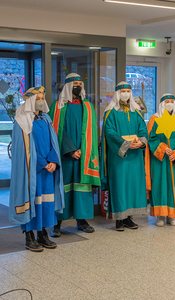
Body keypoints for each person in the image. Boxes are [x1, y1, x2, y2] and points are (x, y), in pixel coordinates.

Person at [9, 86, 64, 252]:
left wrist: (53, 161)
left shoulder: (46, 118)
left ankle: (42, 233)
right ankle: (29, 236)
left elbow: (52, 142)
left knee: (46, 202)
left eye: (42, 98)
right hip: (32, 170)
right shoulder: (22, 120)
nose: (41, 101)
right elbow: (24, 149)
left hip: (47, 169)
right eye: (38, 98)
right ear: (30, 100)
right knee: (31, 200)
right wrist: (42, 162)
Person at [48, 73, 100, 236]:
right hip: (65, 157)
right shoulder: (57, 106)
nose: (79, 86)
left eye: (81, 83)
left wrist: (83, 151)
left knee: (82, 187)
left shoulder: (88, 106)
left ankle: (82, 221)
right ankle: (56, 224)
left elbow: (92, 132)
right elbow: (54, 131)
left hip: (83, 157)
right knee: (62, 188)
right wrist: (70, 150)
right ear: (68, 86)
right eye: (75, 83)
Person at [101, 81, 148, 231]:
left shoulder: (137, 112)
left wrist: (141, 142)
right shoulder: (110, 113)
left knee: (133, 186)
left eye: (128, 91)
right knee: (120, 186)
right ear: (117, 94)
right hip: (119, 157)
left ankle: (129, 218)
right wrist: (127, 144)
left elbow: (143, 129)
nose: (126, 94)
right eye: (123, 91)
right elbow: (110, 133)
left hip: (135, 157)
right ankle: (119, 220)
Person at [145, 94, 175, 226]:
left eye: (172, 101)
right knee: (159, 185)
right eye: (167, 101)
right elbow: (151, 139)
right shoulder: (154, 119)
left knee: (173, 187)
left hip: (173, 161)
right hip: (159, 160)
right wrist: (163, 148)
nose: (169, 103)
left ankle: (172, 215)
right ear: (161, 104)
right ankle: (160, 215)